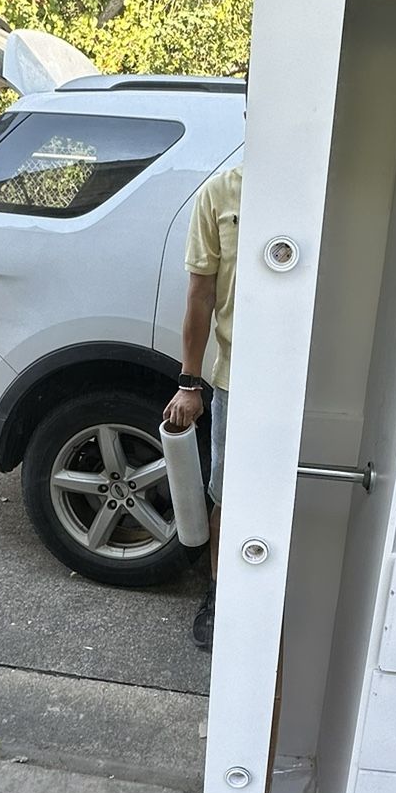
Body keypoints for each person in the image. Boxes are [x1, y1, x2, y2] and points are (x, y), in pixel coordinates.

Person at [162, 162, 240, 651]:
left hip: (307, 386)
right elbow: (200, 293)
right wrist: (189, 384)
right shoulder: (220, 193)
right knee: (226, 495)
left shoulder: (322, 186)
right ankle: (217, 595)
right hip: (235, 379)